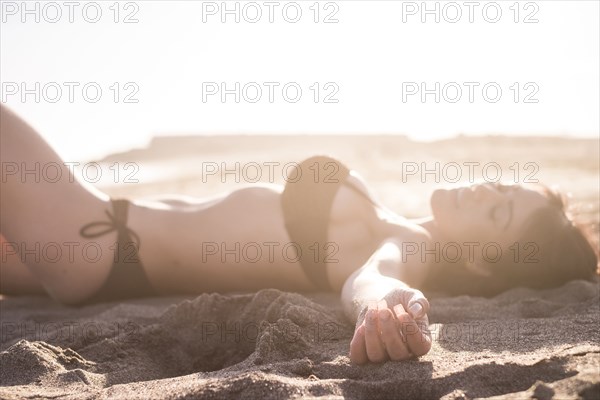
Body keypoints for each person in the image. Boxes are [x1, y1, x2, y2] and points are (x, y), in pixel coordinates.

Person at [1, 104, 597, 364]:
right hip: (89, 246)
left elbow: (375, 276)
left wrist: (380, 306)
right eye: (501, 186)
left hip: (94, 238)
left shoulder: (410, 243)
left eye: (498, 215)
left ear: (488, 265)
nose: (484, 192)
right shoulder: (399, 215)